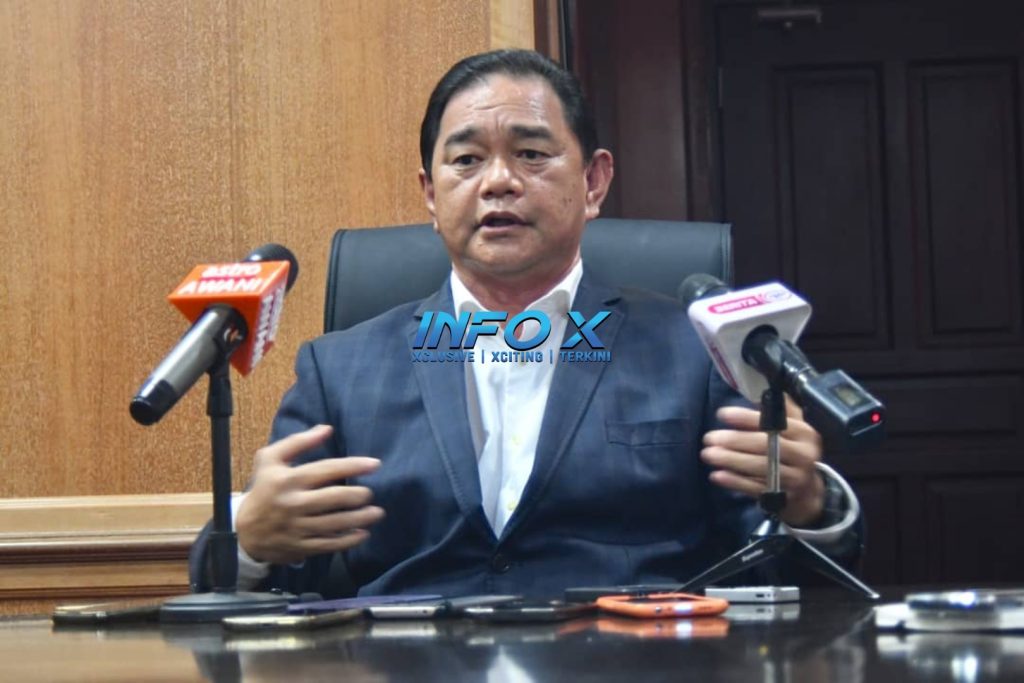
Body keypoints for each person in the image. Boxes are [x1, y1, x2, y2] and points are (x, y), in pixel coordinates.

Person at [190, 49, 858, 599]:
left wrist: (806, 503)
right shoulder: (340, 370)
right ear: (431, 194)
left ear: (594, 183)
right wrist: (251, 542)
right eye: (466, 160)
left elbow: (780, 575)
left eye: (532, 154)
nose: (498, 182)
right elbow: (257, 582)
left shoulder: (693, 352)